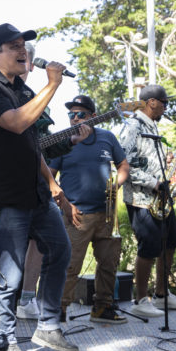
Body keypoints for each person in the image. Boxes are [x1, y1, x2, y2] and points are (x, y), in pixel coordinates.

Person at [0, 23, 79, 351]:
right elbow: (15, 123)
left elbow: (32, 145)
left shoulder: (23, 91)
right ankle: (4, 345)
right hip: (4, 196)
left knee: (60, 250)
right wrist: (53, 85)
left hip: (35, 193)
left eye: (23, 45)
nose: (22, 51)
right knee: (10, 273)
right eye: (13, 46)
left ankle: (47, 325)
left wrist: (52, 182)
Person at [49, 95, 130, 324]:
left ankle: (102, 308)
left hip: (106, 214)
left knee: (109, 263)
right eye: (71, 114)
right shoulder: (63, 141)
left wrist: (116, 184)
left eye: (80, 114)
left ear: (93, 117)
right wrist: (65, 205)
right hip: (76, 215)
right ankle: (59, 312)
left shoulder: (107, 137)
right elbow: (50, 178)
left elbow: (123, 165)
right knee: (70, 266)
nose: (75, 118)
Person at [117, 84, 176, 318]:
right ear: (152, 102)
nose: (166, 107)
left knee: (170, 244)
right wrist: (154, 183)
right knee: (148, 247)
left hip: (161, 197)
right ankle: (139, 300)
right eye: (164, 102)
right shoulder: (133, 126)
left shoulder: (153, 127)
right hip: (141, 198)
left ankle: (161, 294)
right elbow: (124, 164)